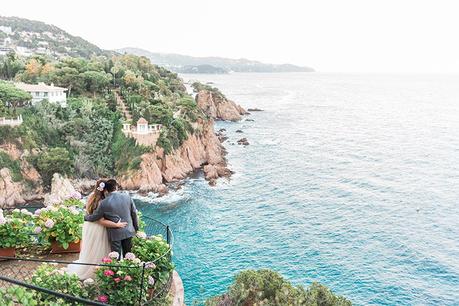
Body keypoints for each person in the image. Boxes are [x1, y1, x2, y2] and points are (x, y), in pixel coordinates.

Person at [67, 179, 127, 279]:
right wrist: (117, 225)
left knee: (91, 249)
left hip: (89, 227)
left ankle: (92, 268)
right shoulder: (102, 201)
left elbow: (88, 213)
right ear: (105, 189)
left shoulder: (91, 196)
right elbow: (101, 220)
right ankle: (99, 272)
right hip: (99, 228)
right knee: (100, 249)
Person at [84, 179, 139, 258]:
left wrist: (85, 217)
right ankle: (127, 269)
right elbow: (134, 213)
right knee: (128, 256)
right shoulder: (127, 197)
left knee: (115, 257)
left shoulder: (104, 202)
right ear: (116, 187)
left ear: (106, 189)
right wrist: (136, 228)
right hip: (128, 230)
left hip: (115, 233)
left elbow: (95, 217)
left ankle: (116, 270)